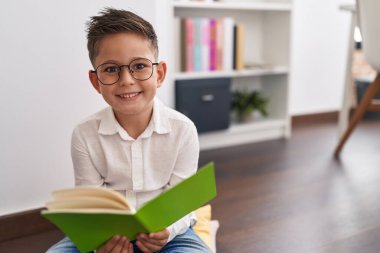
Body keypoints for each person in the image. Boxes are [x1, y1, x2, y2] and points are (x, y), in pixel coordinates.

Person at [46, 7, 211, 253]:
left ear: (160, 73)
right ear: (96, 81)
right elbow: (91, 204)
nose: (126, 80)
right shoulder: (84, 134)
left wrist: (167, 232)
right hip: (107, 233)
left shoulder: (183, 130)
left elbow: (182, 202)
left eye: (140, 66)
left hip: (169, 232)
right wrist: (99, 241)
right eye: (111, 69)